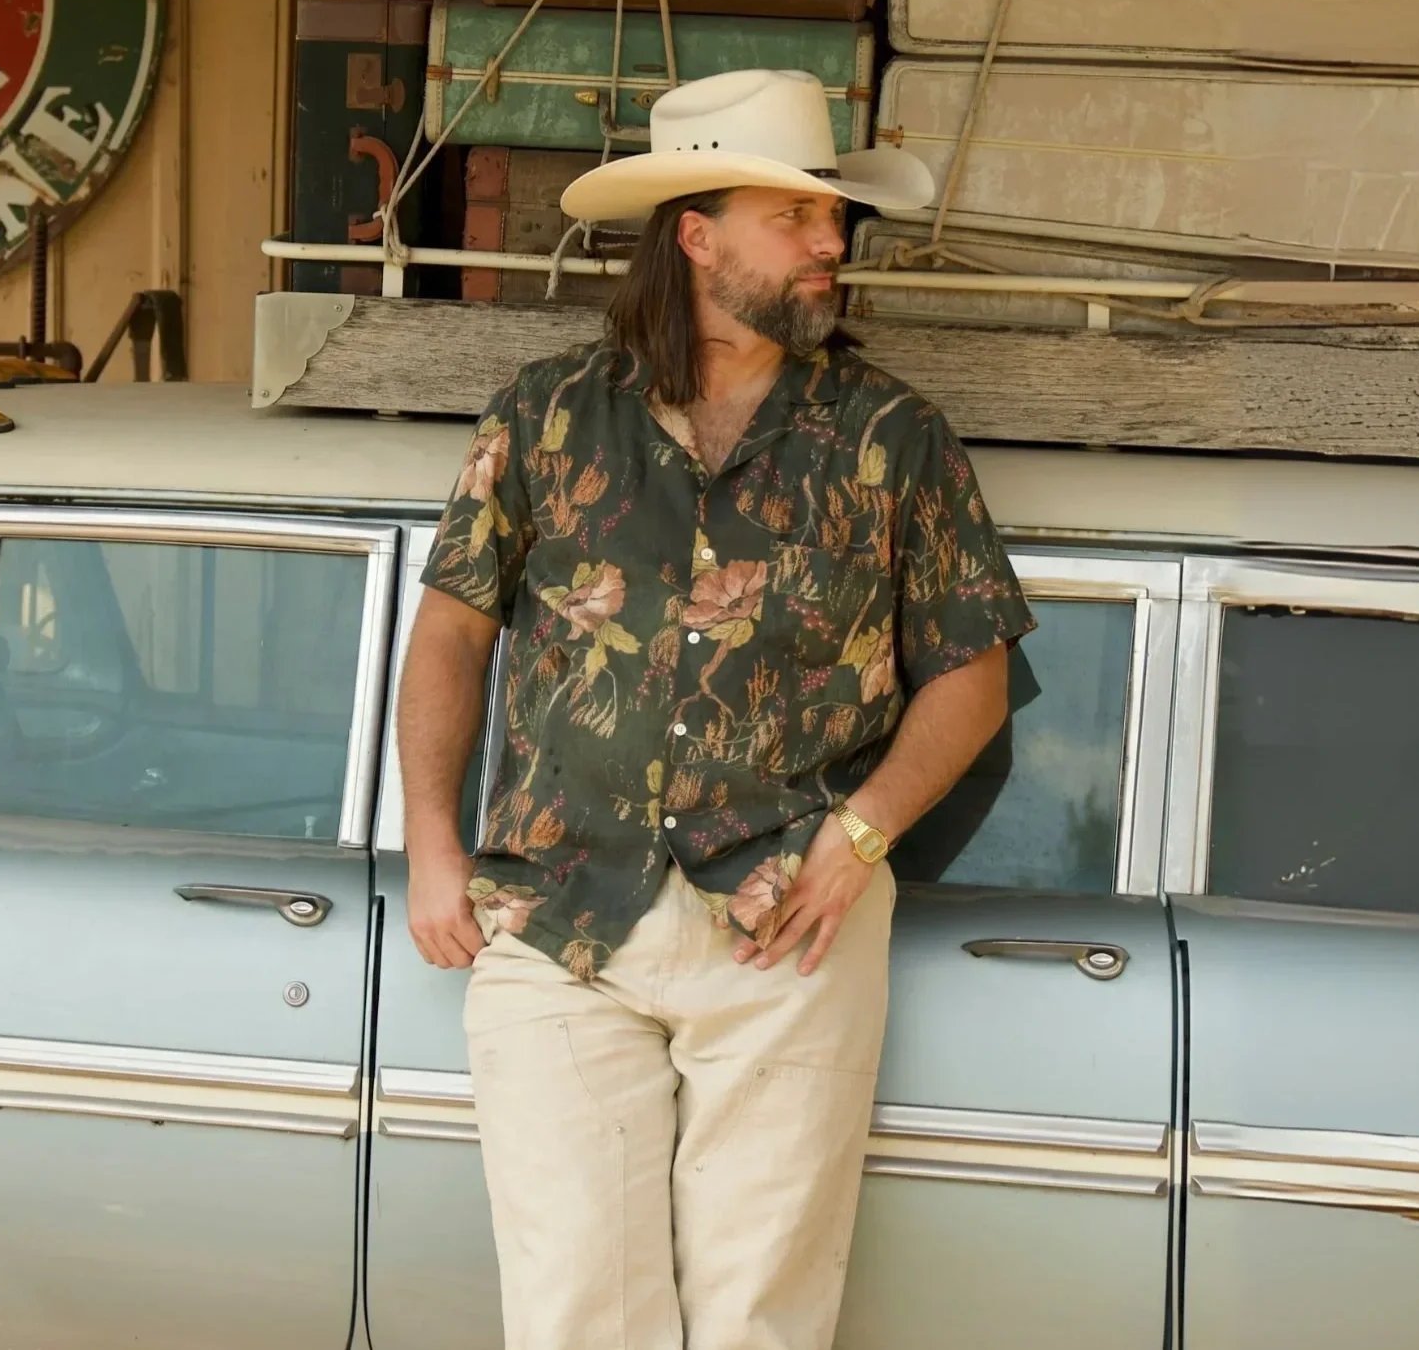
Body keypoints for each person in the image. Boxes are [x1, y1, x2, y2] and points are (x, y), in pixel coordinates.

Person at [398, 67, 1036, 1350]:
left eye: (832, 216)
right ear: (695, 237)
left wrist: (857, 838)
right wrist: (429, 841)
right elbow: (453, 632)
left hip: (784, 928)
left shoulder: (891, 436)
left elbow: (969, 673)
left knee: (758, 1317)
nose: (827, 242)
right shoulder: (546, 414)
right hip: (556, 917)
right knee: (573, 1310)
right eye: (792, 215)